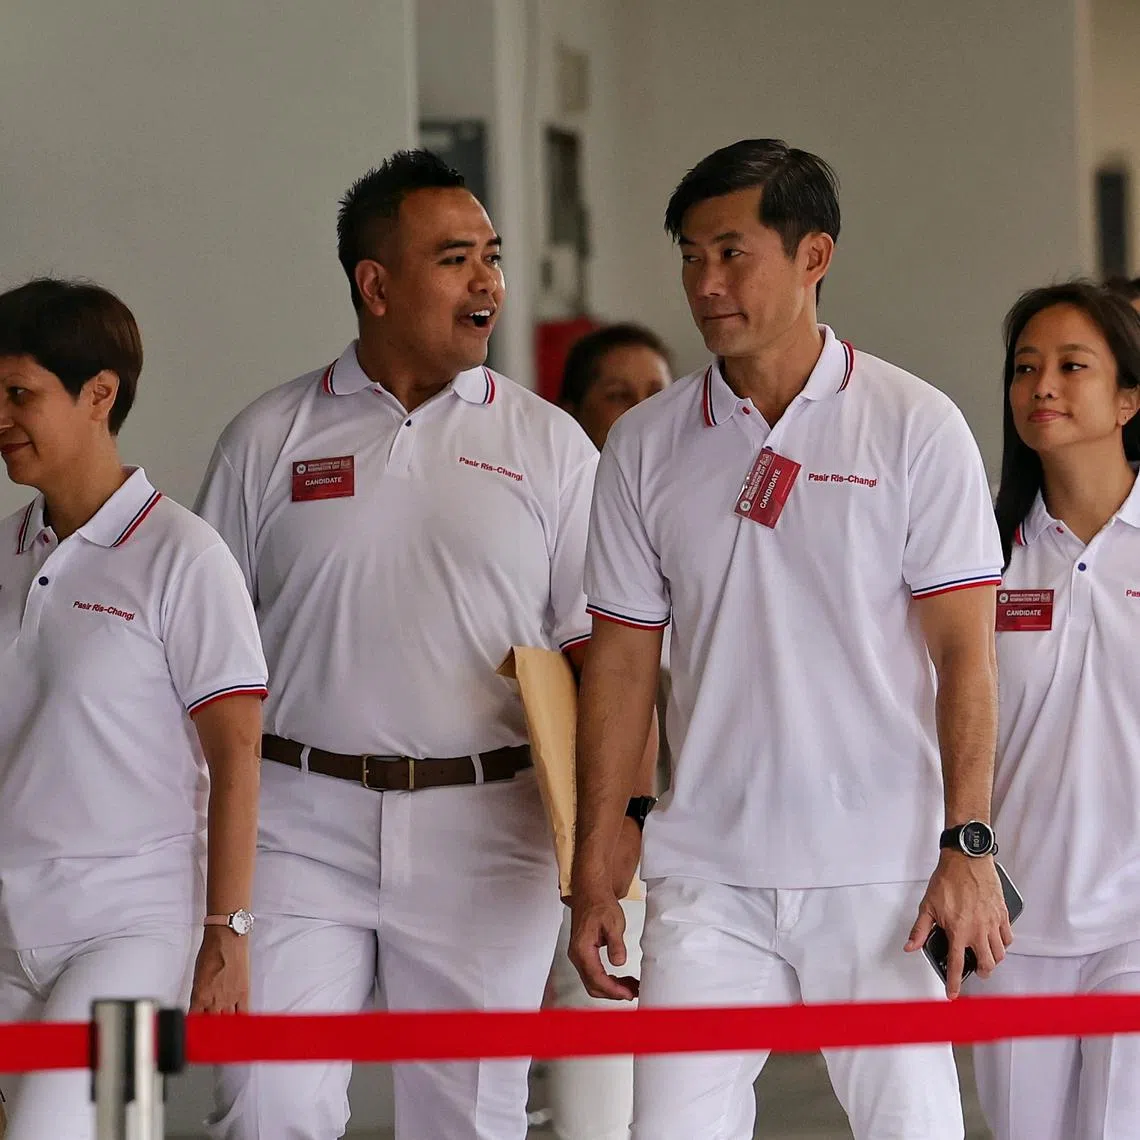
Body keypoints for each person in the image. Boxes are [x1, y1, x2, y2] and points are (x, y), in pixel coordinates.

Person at [195, 150, 649, 1140]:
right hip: (296, 824)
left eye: (492, 256)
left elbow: (607, 665)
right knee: (266, 1105)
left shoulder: (550, 449)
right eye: (456, 259)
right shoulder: (267, 438)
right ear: (377, 284)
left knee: (470, 1118)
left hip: (492, 828)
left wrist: (613, 846)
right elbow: (200, 665)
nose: (488, 282)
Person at [569, 138, 1011, 1140]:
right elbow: (624, 665)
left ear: (815, 255)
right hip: (706, 871)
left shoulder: (913, 425)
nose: (706, 283)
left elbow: (966, 657)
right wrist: (598, 861)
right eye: (690, 256)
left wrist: (967, 842)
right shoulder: (646, 445)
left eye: (732, 253)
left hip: (880, 868)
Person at [0, 278, 267, 1140]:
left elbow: (237, 756)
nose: (0, 417)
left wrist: (226, 931)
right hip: (11, 930)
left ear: (100, 394)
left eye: (18, 394)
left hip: (128, 931)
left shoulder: (183, 558)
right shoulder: (6, 552)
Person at [973, 282, 1140, 1140]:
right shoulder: (978, 548)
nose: (1042, 384)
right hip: (1013, 925)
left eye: (1072, 366)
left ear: (1127, 399)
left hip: (1133, 926)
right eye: (1025, 367)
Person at [542, 323, 671, 1140]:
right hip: (551, 788)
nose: (637, 411)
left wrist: (636, 809)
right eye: (616, 393)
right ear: (572, 408)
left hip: (653, 802)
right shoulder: (555, 490)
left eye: (654, 392)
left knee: (620, 1008)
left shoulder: (684, 493)